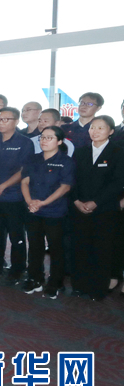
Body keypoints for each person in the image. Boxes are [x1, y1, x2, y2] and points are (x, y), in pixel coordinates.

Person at [70, 116, 123, 301]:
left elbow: (118, 182)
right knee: (80, 247)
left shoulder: (118, 152)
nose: (95, 131)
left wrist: (96, 202)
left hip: (105, 209)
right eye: (93, 127)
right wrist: (76, 201)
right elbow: (72, 179)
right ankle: (79, 286)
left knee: (102, 249)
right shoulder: (80, 152)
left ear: (111, 131)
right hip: (80, 208)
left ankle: (98, 289)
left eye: (101, 128)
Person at [20, 126, 74, 298]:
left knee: (56, 247)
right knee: (34, 246)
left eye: (49, 138)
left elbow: (65, 187)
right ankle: (35, 277)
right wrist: (30, 202)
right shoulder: (33, 159)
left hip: (54, 211)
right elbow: (24, 182)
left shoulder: (66, 161)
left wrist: (43, 203)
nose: (44, 141)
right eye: (42, 137)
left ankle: (55, 282)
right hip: (33, 210)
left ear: (59, 141)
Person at [0, 107, 35, 283]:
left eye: (6, 119)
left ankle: (17, 269)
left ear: (16, 121)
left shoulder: (25, 142)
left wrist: (3, 186)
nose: (1, 122)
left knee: (16, 235)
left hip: (14, 197)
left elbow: (24, 170)